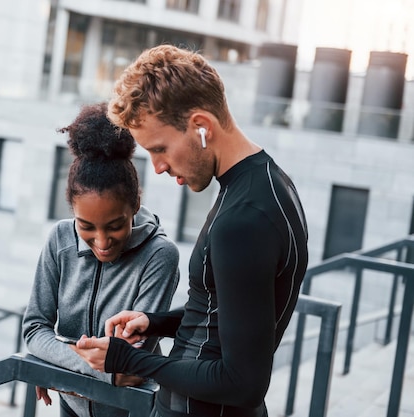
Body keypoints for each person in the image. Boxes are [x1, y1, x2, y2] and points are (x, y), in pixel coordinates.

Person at [72, 45, 309, 417]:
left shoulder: (243, 219)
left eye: (160, 148)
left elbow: (243, 383)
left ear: (201, 126)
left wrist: (128, 360)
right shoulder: (270, 185)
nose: (158, 167)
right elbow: (230, 314)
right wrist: (155, 322)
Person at [22, 101, 181, 417]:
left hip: (132, 409)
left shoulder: (159, 256)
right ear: (72, 212)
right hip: (71, 404)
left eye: (115, 225)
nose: (102, 242)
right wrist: (66, 364)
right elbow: (33, 330)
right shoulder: (60, 240)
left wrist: (54, 358)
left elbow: (131, 361)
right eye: (86, 227)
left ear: (135, 204)